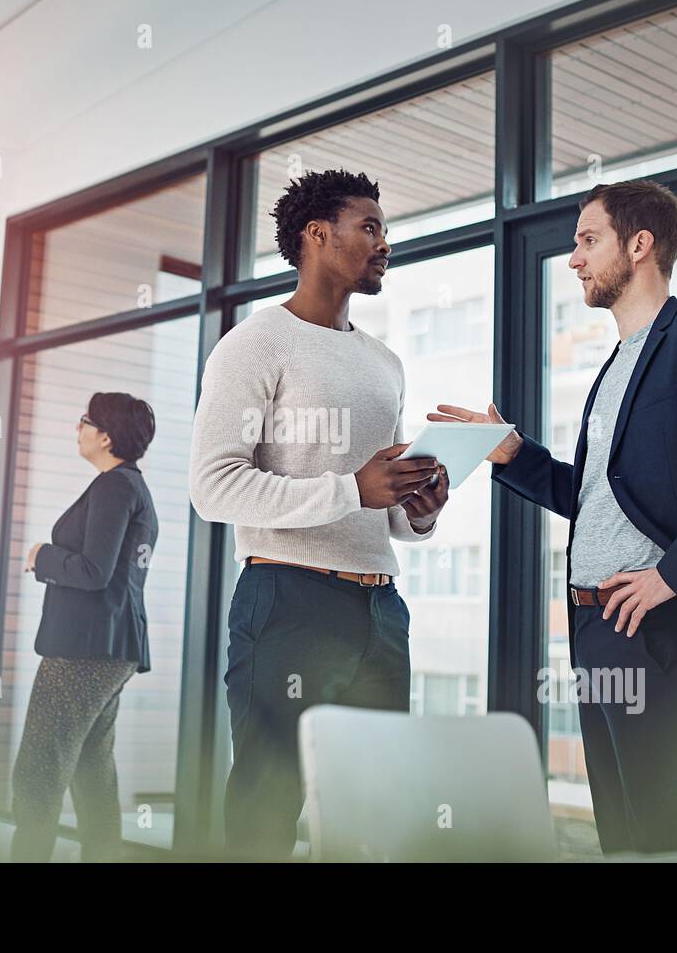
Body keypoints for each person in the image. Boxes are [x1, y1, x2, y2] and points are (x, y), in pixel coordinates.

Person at [434, 179, 677, 854]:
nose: (574, 259)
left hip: (657, 624)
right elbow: (603, 495)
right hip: (594, 626)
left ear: (639, 245)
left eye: (587, 240)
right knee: (624, 843)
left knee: (667, 840)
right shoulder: (613, 367)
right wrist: (515, 454)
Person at [189, 168, 450, 860]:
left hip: (380, 611)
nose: (384, 242)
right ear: (315, 235)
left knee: (377, 815)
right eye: (370, 226)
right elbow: (213, 486)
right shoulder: (255, 343)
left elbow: (382, 509)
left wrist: (419, 508)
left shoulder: (384, 362)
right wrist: (350, 489)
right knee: (268, 809)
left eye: (385, 229)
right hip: (287, 601)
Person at [10, 392, 159, 863]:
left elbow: (95, 571)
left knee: (39, 768)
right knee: (92, 770)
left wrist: (41, 558)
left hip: (87, 647)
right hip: (109, 645)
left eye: (84, 422)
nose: (78, 429)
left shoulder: (116, 487)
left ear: (106, 437)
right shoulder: (128, 486)